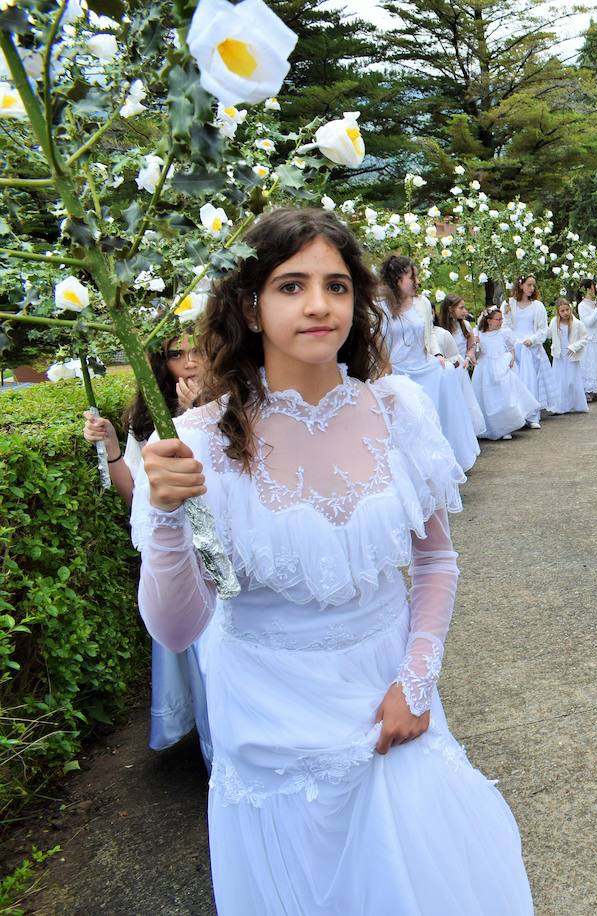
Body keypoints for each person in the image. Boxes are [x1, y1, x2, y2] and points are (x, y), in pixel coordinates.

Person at [132, 208, 532, 913]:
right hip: (267, 714)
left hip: (388, 699)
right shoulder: (196, 442)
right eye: (291, 286)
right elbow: (177, 626)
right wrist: (167, 516)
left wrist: (415, 682)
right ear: (249, 305)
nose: (319, 305)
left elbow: (436, 562)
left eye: (338, 286)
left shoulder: (398, 410)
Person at [83, 333, 212, 767]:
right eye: (177, 354)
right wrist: (114, 448)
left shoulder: (241, 405)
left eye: (200, 350)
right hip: (184, 560)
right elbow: (137, 498)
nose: (190, 363)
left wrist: (201, 416)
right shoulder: (148, 420)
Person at [378, 256, 480, 472]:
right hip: (398, 372)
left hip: (425, 368)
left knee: (436, 413)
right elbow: (379, 341)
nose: (417, 281)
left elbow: (428, 335)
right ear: (396, 278)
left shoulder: (422, 303)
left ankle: (443, 465)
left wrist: (437, 354)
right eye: (411, 276)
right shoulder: (381, 306)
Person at [472, 307, 542, 440]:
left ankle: (507, 426)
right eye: (498, 319)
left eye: (501, 319)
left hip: (501, 365)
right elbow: (477, 354)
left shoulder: (504, 332)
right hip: (485, 368)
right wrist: (476, 344)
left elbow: (511, 347)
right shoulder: (478, 333)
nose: (500, 322)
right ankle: (493, 427)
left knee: (505, 396)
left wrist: (512, 358)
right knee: (488, 398)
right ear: (489, 321)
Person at [503, 275, 553, 428]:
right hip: (514, 346)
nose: (531, 288)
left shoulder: (537, 306)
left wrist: (533, 339)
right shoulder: (509, 304)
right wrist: (513, 341)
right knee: (515, 381)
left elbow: (543, 329)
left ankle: (532, 416)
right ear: (520, 285)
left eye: (533, 285)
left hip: (530, 347)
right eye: (529, 285)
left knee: (531, 379)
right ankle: (517, 416)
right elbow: (505, 325)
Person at [437, 294, 488, 442]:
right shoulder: (440, 327)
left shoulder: (464, 325)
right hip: (447, 369)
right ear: (450, 310)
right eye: (461, 308)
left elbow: (471, 344)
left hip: (461, 368)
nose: (464, 311)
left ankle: (468, 433)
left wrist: (468, 356)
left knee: (465, 400)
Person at [547, 298, 589, 415]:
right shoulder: (554, 322)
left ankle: (575, 404)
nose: (565, 313)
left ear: (570, 309)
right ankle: (559, 406)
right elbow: (549, 334)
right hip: (559, 356)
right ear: (558, 312)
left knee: (572, 380)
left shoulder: (577, 324)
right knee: (559, 380)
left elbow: (585, 338)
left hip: (571, 355)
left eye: (567, 310)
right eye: (562, 311)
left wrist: (574, 347)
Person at [577, 280, 597, 401]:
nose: (594, 289)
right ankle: (588, 390)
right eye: (592, 287)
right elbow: (588, 322)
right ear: (587, 289)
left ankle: (596, 390)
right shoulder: (582, 305)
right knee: (590, 365)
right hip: (589, 339)